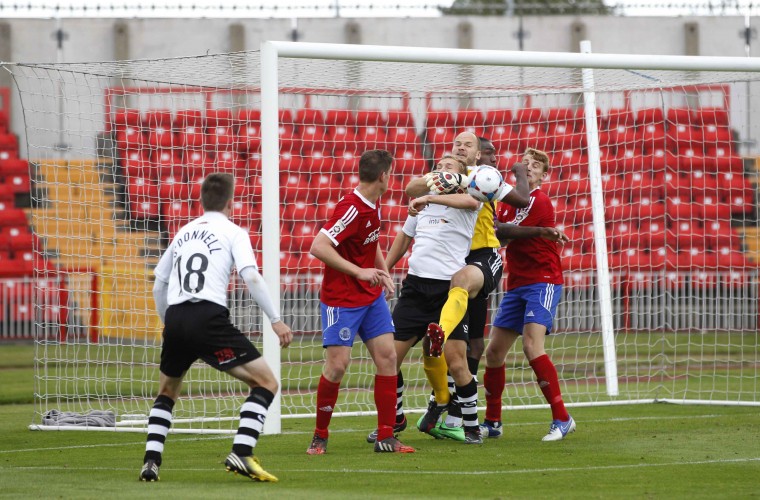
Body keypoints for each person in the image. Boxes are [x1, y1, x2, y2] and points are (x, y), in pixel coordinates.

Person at [140, 172, 293, 483]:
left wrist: (168, 322)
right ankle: (242, 451)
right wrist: (275, 319)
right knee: (266, 383)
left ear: (201, 200)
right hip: (208, 317)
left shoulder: (183, 231)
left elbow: (160, 284)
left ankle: (150, 463)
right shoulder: (233, 231)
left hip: (177, 317)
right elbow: (250, 276)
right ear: (231, 202)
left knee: (167, 391)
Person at [406, 131, 529, 435]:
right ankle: (448, 410)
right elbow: (411, 188)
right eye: (457, 143)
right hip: (453, 262)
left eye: (468, 145)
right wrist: (442, 180)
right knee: (468, 344)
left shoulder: (484, 177)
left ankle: (455, 412)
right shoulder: (443, 175)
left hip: (482, 258)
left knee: (459, 335)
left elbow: (521, 200)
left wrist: (517, 176)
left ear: (477, 155)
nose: (461, 147)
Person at [306, 149, 415, 455]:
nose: (390, 178)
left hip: (370, 298)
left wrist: (382, 273)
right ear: (383, 176)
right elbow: (319, 246)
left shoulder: (371, 207)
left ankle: (385, 436)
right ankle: (319, 436)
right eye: (390, 173)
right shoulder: (351, 209)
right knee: (338, 366)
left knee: (388, 358)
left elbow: (372, 241)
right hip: (341, 300)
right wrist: (360, 271)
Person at [368, 154, 483, 444]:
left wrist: (432, 198)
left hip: (448, 293)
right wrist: (383, 272)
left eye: (450, 167)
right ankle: (394, 420)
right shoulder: (421, 203)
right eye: (439, 166)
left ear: (461, 176)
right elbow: (403, 240)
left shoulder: (468, 199)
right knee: (388, 358)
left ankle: (471, 428)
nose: (442, 170)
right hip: (415, 290)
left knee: (457, 364)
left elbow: (471, 202)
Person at [481, 148, 575, 441]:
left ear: (544, 175)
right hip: (517, 283)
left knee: (532, 346)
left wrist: (509, 229)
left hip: (543, 280)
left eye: (535, 166)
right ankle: (493, 422)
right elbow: (500, 232)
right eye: (525, 164)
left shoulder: (540, 200)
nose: (528, 168)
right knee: (494, 352)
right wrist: (506, 229)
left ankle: (562, 418)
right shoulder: (509, 202)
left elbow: (507, 231)